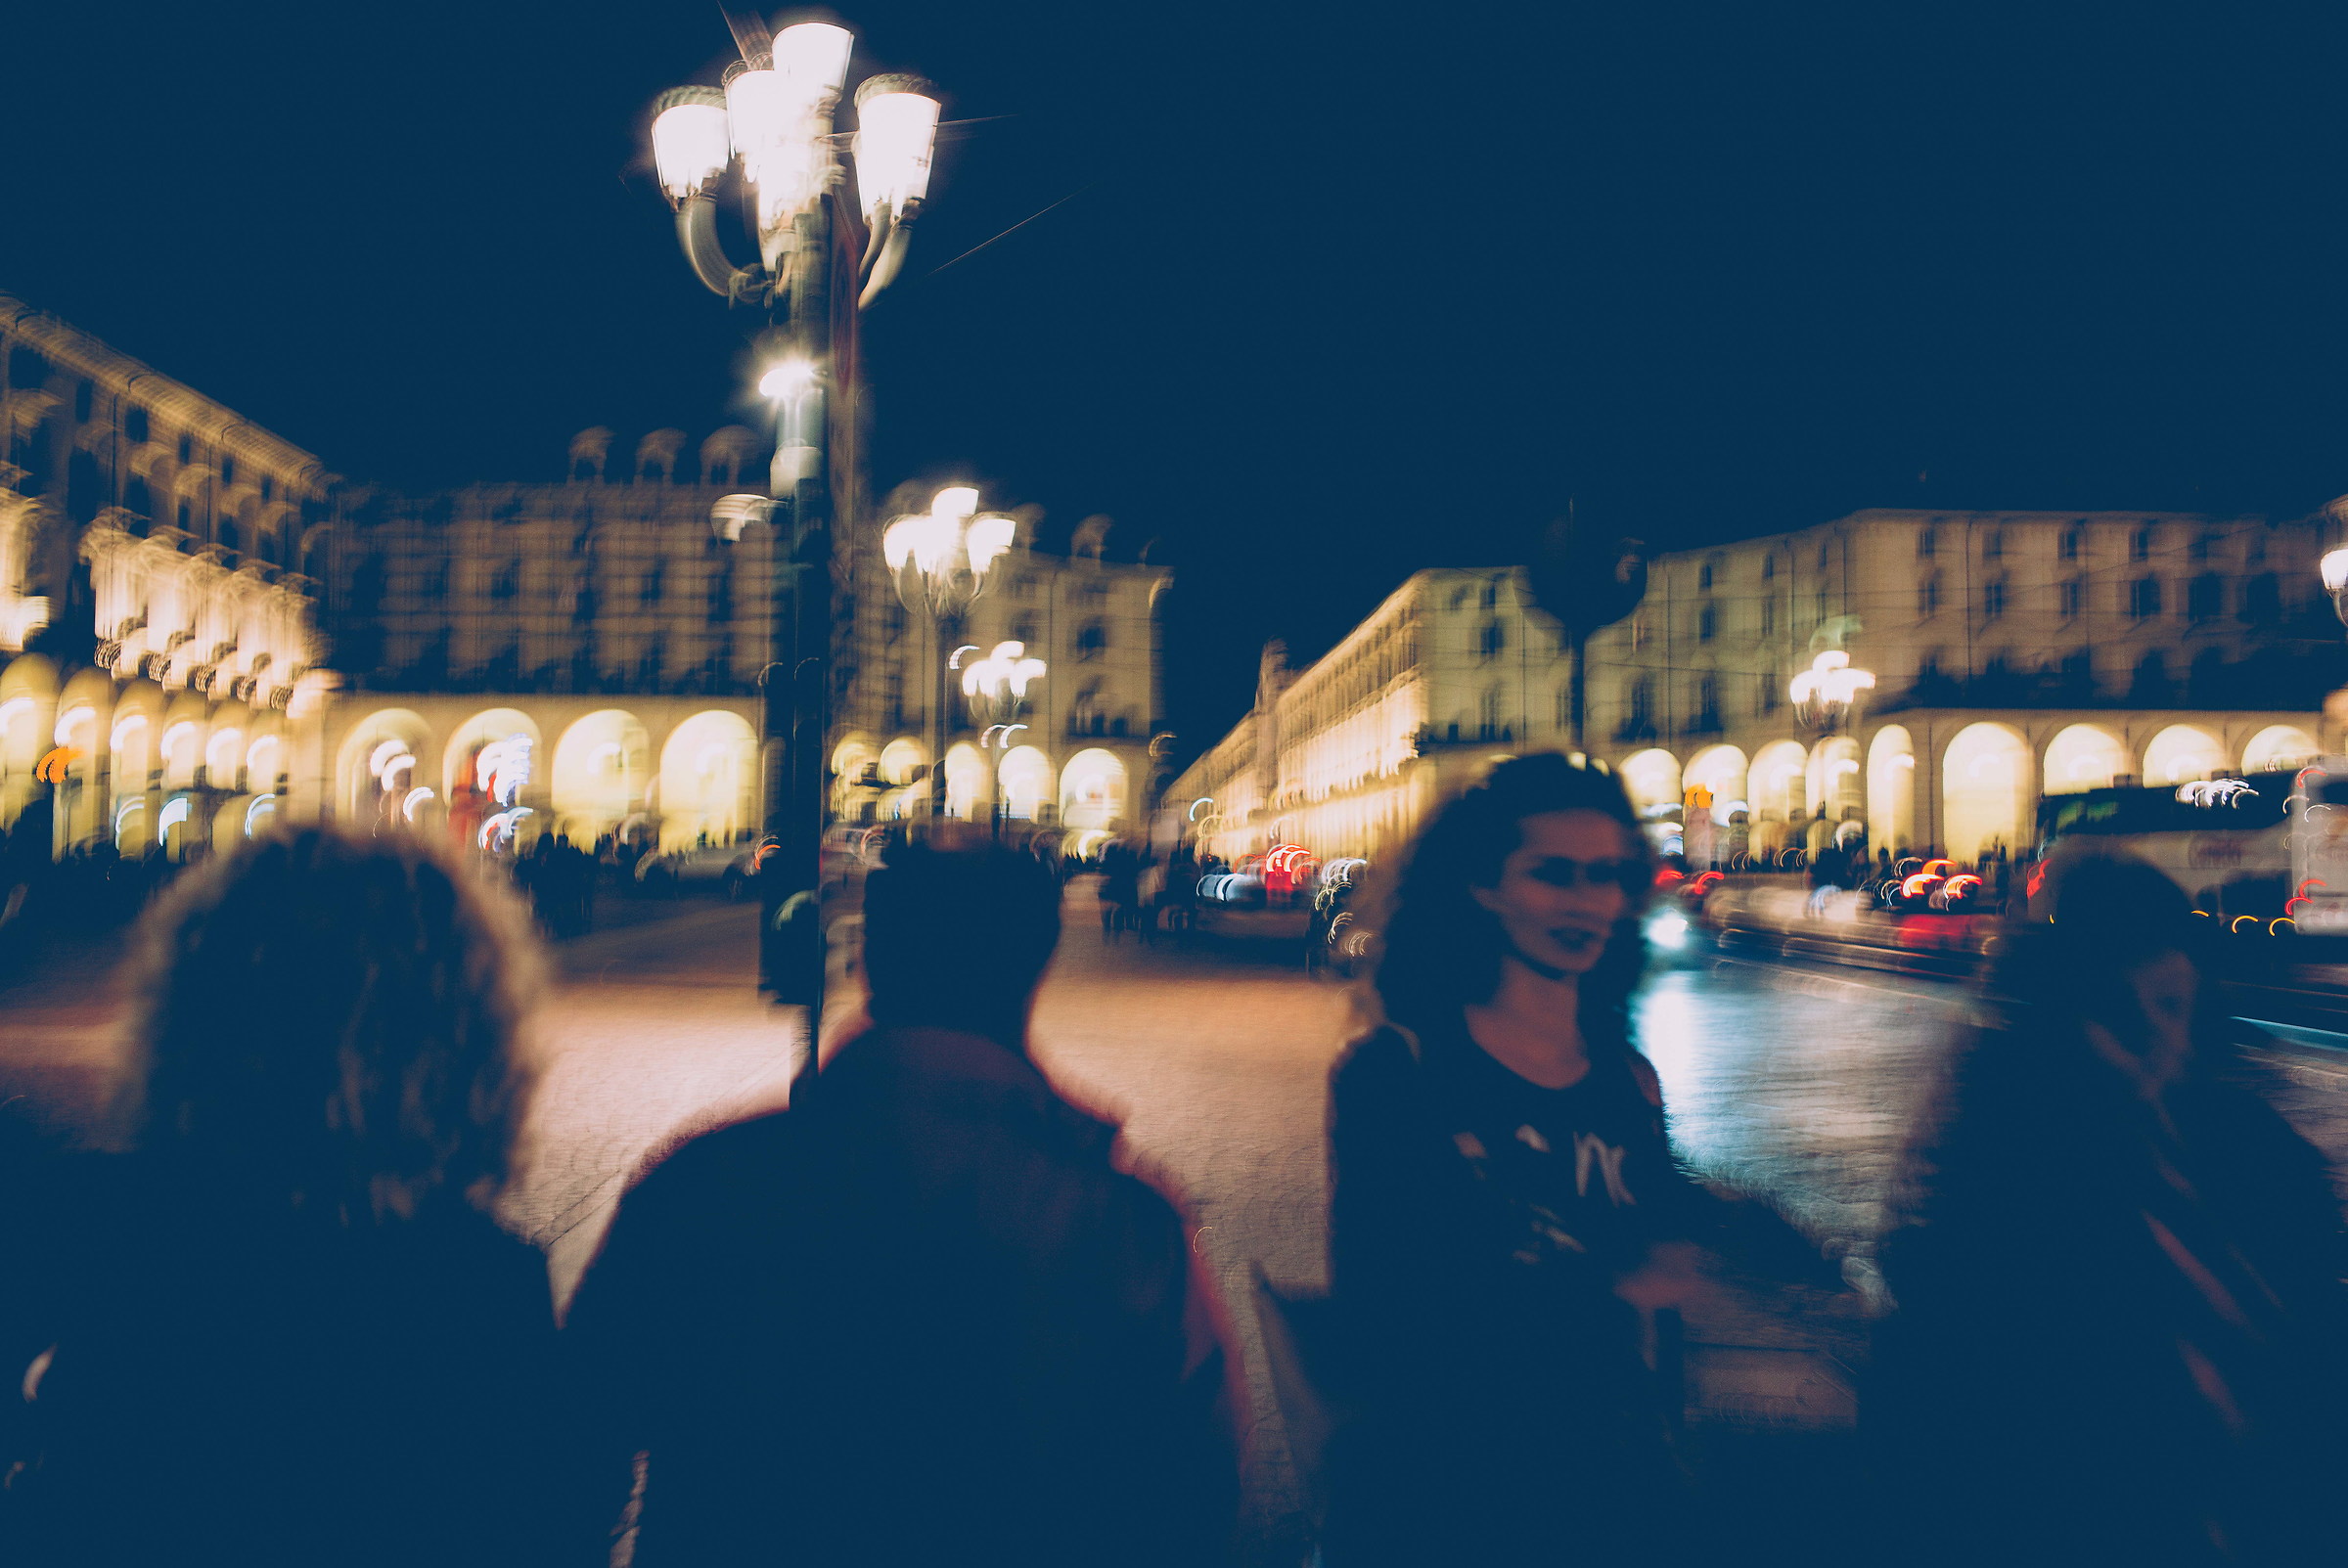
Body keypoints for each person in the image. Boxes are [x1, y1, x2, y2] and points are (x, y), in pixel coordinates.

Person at [567, 842, 1235, 1566]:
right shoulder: (1123, 1226)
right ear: (1037, 964)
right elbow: (1196, 1493)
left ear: (867, 961)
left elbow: (568, 1452)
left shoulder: (699, 1184)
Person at [1, 829, 596, 1567]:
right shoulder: (481, 1278)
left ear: (190, 1006)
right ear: (463, 1034)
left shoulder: (91, 1216)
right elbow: (546, 1528)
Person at [1873, 851, 2348, 1565]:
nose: (2170, 1045)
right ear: (2074, 1013)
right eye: (2143, 1013)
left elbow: (2312, 1309)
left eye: (2180, 1008)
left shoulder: (2243, 1143)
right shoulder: (2007, 1192)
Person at [1318, 753, 1712, 1564]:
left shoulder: (1627, 1082)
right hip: (1447, 1499)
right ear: (1482, 885)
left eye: (1606, 875)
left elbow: (1671, 1263)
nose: (1586, 901)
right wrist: (1607, 1282)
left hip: (1614, 1496)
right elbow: (1388, 1308)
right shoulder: (1398, 1072)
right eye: (1553, 873)